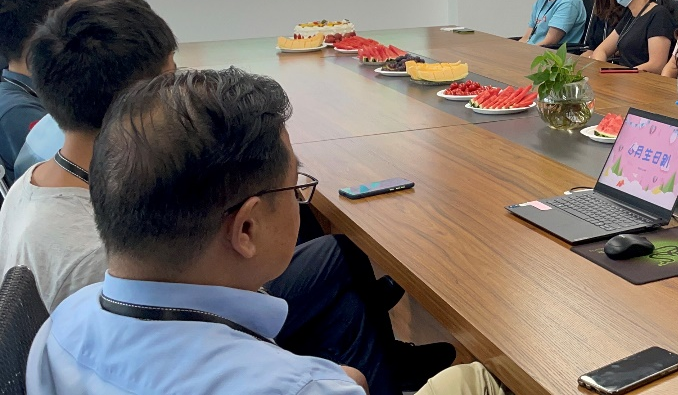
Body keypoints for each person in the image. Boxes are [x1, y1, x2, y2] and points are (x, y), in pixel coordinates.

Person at [0, 0, 450, 394]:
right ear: (142, 101)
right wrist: (321, 380)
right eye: (172, 80)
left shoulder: (67, 298)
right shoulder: (88, 260)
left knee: (337, 266)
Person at [27, 67, 506, 395]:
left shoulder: (61, 324)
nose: (299, 197)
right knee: (479, 379)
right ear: (247, 229)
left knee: (345, 309)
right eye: (295, 185)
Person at [0, 0, 78, 183]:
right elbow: (65, 176)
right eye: (77, 23)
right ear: (42, 36)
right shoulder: (17, 110)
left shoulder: (37, 91)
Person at [591, 0, 676, 73]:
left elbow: (656, 65)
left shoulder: (659, 15)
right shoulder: (630, 13)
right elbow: (602, 50)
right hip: (623, 78)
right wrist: (601, 67)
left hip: (641, 79)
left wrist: (621, 74)